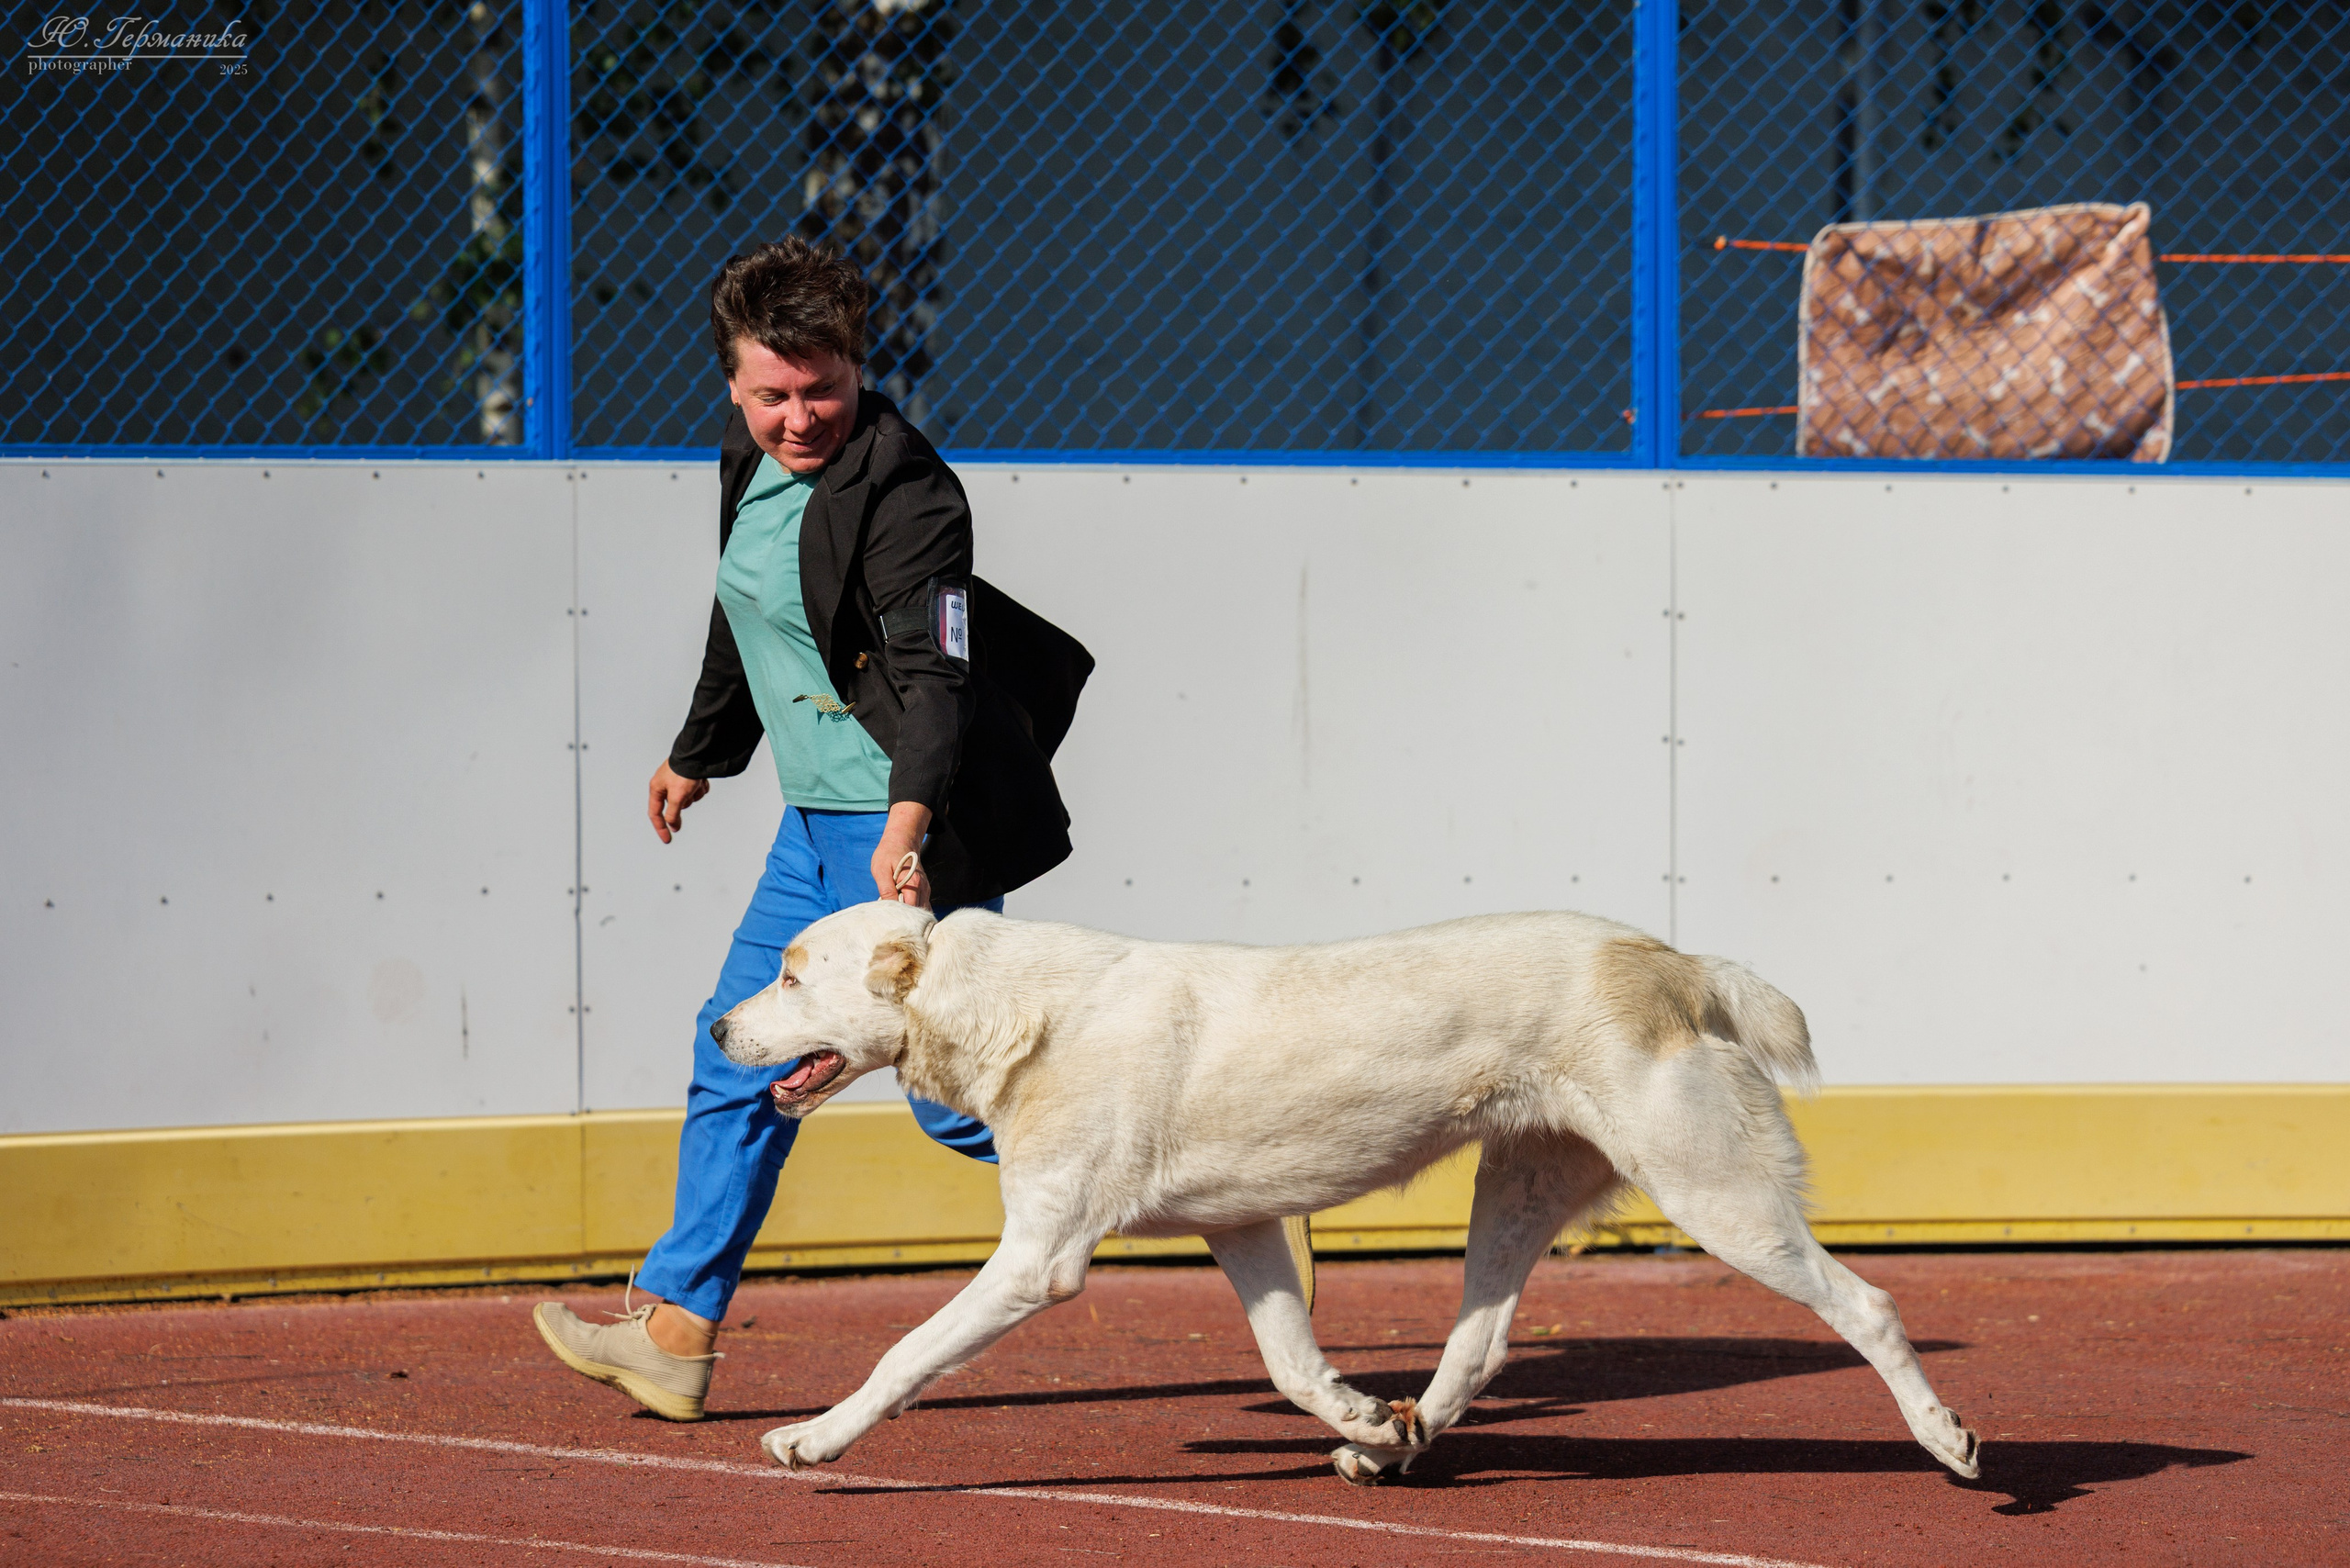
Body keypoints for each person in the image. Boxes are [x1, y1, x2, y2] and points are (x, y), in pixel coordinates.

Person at [531, 238, 1087, 1421]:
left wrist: (907, 827)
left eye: (820, 388)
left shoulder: (914, 493)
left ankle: (1206, 1179)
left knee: (955, 1105)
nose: (798, 416)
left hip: (905, 830)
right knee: (732, 1043)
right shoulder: (749, 457)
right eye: (772, 392)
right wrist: (701, 751)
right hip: (810, 829)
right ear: (731, 383)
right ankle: (677, 1327)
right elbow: (751, 614)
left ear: (856, 369)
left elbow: (939, 674)